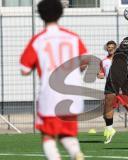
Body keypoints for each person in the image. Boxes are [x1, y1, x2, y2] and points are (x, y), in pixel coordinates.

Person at [20, 0, 86, 159]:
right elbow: (84, 63)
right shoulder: (73, 37)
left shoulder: (38, 40)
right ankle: (75, 153)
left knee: (48, 136)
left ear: (40, 15)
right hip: (73, 94)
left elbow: (24, 69)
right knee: (67, 134)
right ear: (61, 14)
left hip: (50, 95)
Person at [97, 40, 128, 136]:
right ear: (107, 48)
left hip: (120, 86)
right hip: (110, 87)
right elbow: (101, 73)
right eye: (109, 47)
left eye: (112, 47)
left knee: (126, 105)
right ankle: (110, 129)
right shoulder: (103, 61)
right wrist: (99, 75)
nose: (110, 49)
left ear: (116, 49)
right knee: (106, 113)